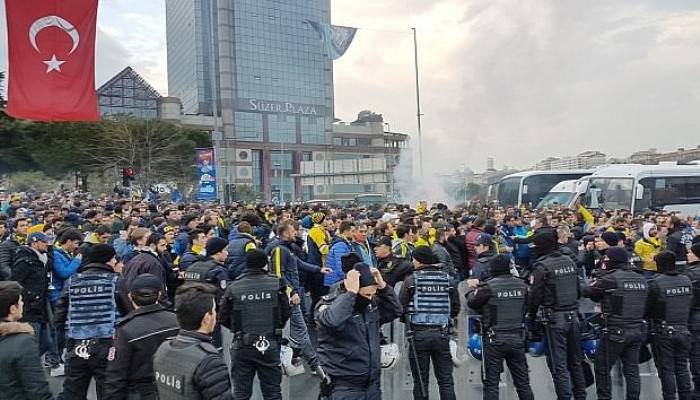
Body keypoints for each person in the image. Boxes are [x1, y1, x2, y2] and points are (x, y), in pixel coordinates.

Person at [315, 263, 403, 400]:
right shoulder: (329, 305)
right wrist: (351, 294)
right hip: (344, 386)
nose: (369, 298)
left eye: (373, 294)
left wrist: (383, 287)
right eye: (366, 294)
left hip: (371, 385)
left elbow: (395, 310)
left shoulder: (370, 306)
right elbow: (332, 321)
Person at [54, 243, 129, 400]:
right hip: (107, 344)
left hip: (76, 343)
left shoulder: (72, 281)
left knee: (72, 392)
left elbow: (59, 316)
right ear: (109, 260)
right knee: (109, 392)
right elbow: (128, 313)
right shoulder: (115, 281)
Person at [219, 249, 291, 400]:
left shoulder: (234, 287)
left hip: (242, 344)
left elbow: (223, 316)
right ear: (265, 264)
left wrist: (238, 330)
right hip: (269, 343)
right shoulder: (276, 283)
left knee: (241, 393)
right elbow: (286, 312)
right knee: (272, 392)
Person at [582, 247, 648, 400]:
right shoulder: (640, 278)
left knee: (602, 368)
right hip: (637, 329)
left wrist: (598, 277)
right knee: (632, 370)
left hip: (615, 331)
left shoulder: (610, 278)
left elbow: (587, 291)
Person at [527, 231, 586, 400]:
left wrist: (531, 319)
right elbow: (578, 289)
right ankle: (580, 396)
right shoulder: (569, 260)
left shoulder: (542, 266)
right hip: (573, 315)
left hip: (554, 320)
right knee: (576, 362)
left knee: (558, 365)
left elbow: (535, 296)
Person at [466, 255, 534, 400]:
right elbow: (529, 305)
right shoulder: (522, 285)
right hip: (518, 337)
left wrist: (472, 289)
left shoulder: (488, 286)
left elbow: (472, 302)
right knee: (523, 383)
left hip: (494, 339)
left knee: (491, 383)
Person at [104, 274, 179, 400]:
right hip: (175, 388)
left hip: (141, 392)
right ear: (160, 294)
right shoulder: (176, 321)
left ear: (130, 297)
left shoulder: (126, 330)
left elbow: (116, 374)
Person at [399, 246, 460, 400]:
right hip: (441, 334)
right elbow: (455, 308)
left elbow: (401, 308)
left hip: (418, 335)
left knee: (420, 381)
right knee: (446, 381)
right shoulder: (448, 280)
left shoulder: (411, 280)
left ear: (419, 261)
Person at [153, 283, 232, 400]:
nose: (216, 314)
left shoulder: (163, 349)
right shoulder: (209, 362)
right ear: (207, 318)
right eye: (214, 310)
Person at [647, 251, 693, 400]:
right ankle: (686, 396)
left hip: (663, 330)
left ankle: (669, 397)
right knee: (682, 367)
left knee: (666, 369)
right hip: (684, 328)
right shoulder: (686, 280)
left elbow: (648, 309)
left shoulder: (655, 283)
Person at [11, 232, 61, 371]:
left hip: (42, 304)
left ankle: (24, 365)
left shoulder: (42, 259)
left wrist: (50, 249)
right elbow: (15, 283)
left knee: (47, 341)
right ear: (34, 243)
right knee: (33, 341)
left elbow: (50, 265)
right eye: (44, 242)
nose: (47, 244)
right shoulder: (24, 261)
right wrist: (29, 297)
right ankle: (25, 369)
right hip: (30, 307)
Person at [0, 281, 54, 400]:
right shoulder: (23, 342)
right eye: (20, 301)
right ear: (12, 309)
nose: (23, 303)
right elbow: (37, 388)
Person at [685, 242, 700, 398]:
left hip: (695, 318)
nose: (687, 255)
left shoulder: (690, 275)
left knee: (696, 355)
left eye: (690, 252)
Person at [325, 220, 355, 288]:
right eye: (352, 231)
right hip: (336, 281)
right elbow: (340, 266)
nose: (354, 234)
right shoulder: (340, 245)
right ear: (345, 232)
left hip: (337, 280)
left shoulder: (344, 243)